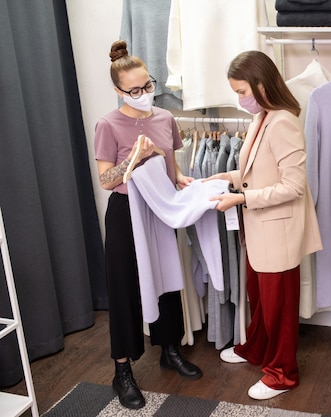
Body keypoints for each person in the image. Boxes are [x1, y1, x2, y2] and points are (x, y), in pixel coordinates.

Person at [207, 50, 322, 400]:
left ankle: (282, 373)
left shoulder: (282, 122)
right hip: (259, 231)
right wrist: (218, 178)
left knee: (279, 308)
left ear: (260, 84)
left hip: (277, 233)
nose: (239, 99)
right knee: (259, 299)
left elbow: (293, 186)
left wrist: (242, 199)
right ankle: (256, 350)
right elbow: (255, 172)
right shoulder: (263, 119)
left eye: (242, 91)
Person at [93, 40, 202, 410]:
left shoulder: (164, 119)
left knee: (168, 279)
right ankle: (122, 370)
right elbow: (107, 180)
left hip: (160, 207)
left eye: (148, 86)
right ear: (118, 90)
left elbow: (170, 164)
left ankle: (169, 349)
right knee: (124, 288)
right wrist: (135, 158)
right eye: (134, 90)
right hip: (126, 211)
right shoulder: (108, 125)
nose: (143, 94)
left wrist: (181, 179)